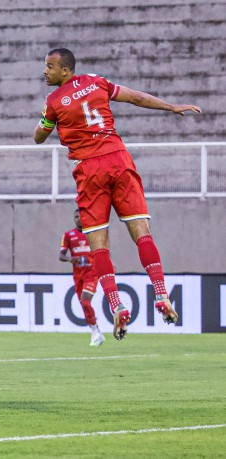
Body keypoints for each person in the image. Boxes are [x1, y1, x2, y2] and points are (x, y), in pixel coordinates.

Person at [34, 48, 201, 340]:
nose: (45, 71)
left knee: (99, 244)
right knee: (143, 234)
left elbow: (39, 136)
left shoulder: (53, 102)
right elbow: (136, 97)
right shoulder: (97, 82)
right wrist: (170, 106)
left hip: (90, 170)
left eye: (50, 66)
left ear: (66, 70)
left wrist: (44, 124)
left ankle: (116, 304)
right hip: (119, 159)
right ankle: (161, 294)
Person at [60, 209, 103, 346]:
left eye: (81, 216)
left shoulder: (93, 233)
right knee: (83, 305)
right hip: (78, 275)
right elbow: (61, 256)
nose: (78, 219)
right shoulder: (68, 235)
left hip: (92, 273)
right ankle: (95, 331)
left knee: (85, 301)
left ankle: (95, 332)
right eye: (76, 217)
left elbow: (102, 251)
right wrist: (70, 259)